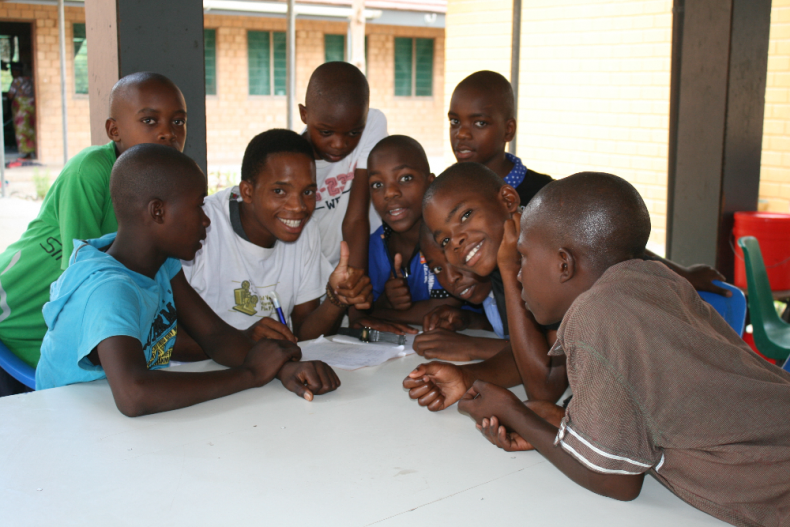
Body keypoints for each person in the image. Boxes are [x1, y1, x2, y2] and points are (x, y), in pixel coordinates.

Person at [458, 172, 790, 526]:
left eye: (522, 257)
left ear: (564, 265)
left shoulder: (595, 314)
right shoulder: (659, 279)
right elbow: (652, 391)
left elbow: (616, 481)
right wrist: (567, 429)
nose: (519, 274)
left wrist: (512, 412)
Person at [35, 144, 340, 416]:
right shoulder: (108, 290)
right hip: (67, 426)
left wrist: (282, 369)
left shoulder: (161, 263)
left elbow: (216, 337)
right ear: (158, 212)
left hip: (112, 422)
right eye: (197, 207)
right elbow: (134, 395)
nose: (207, 220)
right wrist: (249, 374)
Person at [449, 70, 730, 297]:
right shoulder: (448, 195)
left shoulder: (545, 195)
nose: (462, 134)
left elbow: (616, 245)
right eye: (454, 121)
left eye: (480, 123)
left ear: (508, 129)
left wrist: (682, 273)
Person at [0, 72, 187, 395]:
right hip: (14, 316)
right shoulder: (90, 170)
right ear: (114, 130)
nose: (167, 133)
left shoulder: (166, 189)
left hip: (54, 328)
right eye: (149, 120)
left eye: (178, 122)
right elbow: (80, 277)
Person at [178, 129, 373, 353]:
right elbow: (160, 339)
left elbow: (304, 336)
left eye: (308, 192)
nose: (298, 206)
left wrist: (336, 298)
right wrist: (244, 342)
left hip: (264, 376)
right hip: (198, 376)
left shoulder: (304, 229)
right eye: (280, 191)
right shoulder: (202, 225)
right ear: (247, 191)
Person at [404, 163, 564, 406]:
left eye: (465, 215)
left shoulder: (555, 256)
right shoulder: (502, 260)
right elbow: (527, 353)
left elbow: (545, 386)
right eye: (445, 239)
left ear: (508, 200)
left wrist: (510, 269)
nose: (456, 241)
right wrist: (465, 376)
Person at [362, 135, 460, 326]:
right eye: (377, 184)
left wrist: (377, 315)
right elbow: (366, 306)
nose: (390, 192)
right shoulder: (375, 245)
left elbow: (444, 308)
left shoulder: (447, 237)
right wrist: (387, 300)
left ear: (430, 182)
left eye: (405, 178)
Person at [299, 61, 388, 271]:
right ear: (304, 115)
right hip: (314, 272)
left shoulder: (371, 122)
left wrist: (355, 280)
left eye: (353, 133)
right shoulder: (294, 163)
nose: (339, 145)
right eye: (326, 132)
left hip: (365, 257)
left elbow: (356, 218)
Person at [6, 62, 36, 161]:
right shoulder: (29, 79)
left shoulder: (16, 81)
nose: (12, 73)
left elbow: (10, 95)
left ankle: (27, 154)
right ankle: (31, 152)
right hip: (31, 109)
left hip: (21, 111)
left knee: (22, 132)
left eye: (13, 71)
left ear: (17, 71)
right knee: (30, 131)